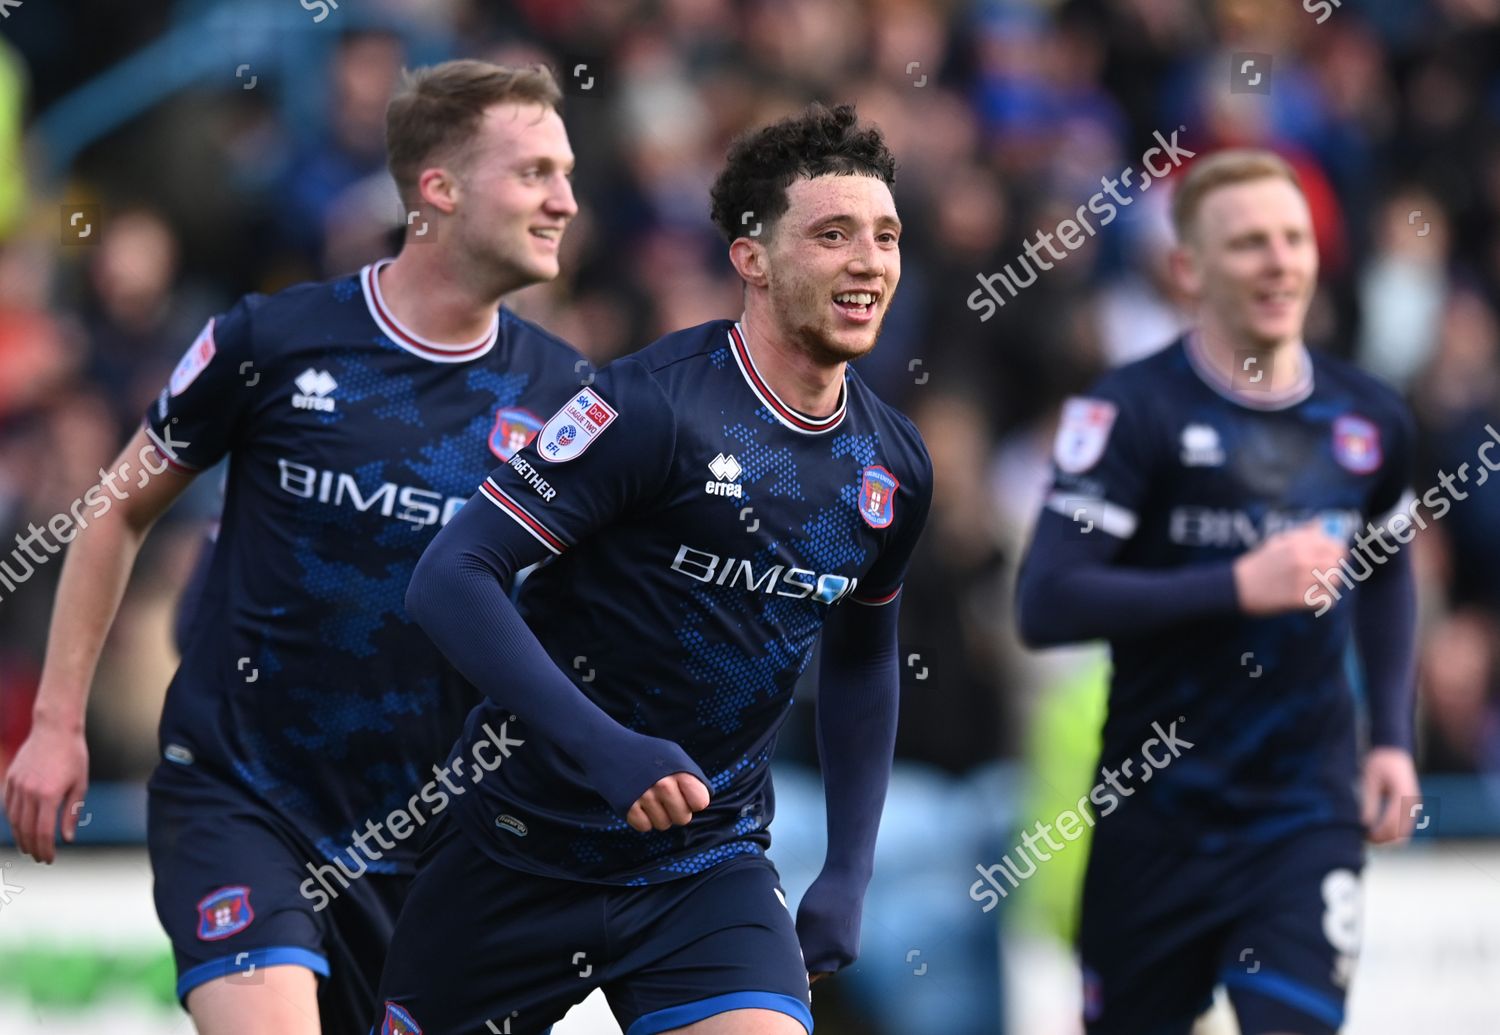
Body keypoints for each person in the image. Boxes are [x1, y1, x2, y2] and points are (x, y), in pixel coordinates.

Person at [3, 60, 588, 1035]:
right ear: (438, 189)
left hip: (436, 840)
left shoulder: (572, 403)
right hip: (242, 798)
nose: (566, 199)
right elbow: (114, 510)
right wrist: (58, 723)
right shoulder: (275, 342)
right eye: (534, 172)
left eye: (566, 171)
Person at [373, 103, 932, 1035]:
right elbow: (452, 575)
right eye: (831, 234)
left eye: (885, 235)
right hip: (519, 846)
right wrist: (605, 749)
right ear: (752, 257)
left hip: (704, 867)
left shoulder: (892, 467)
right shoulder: (648, 408)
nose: (868, 261)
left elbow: (865, 659)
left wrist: (847, 866)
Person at [1016, 149, 1420, 1035]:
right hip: (1155, 815)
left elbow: (1389, 569)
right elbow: (1045, 602)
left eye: (1294, 239)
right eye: (1248, 245)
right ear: (1188, 268)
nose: (1279, 262)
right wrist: (1238, 583)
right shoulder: (1130, 412)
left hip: (1302, 812)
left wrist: (1391, 735)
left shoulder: (1369, 419)